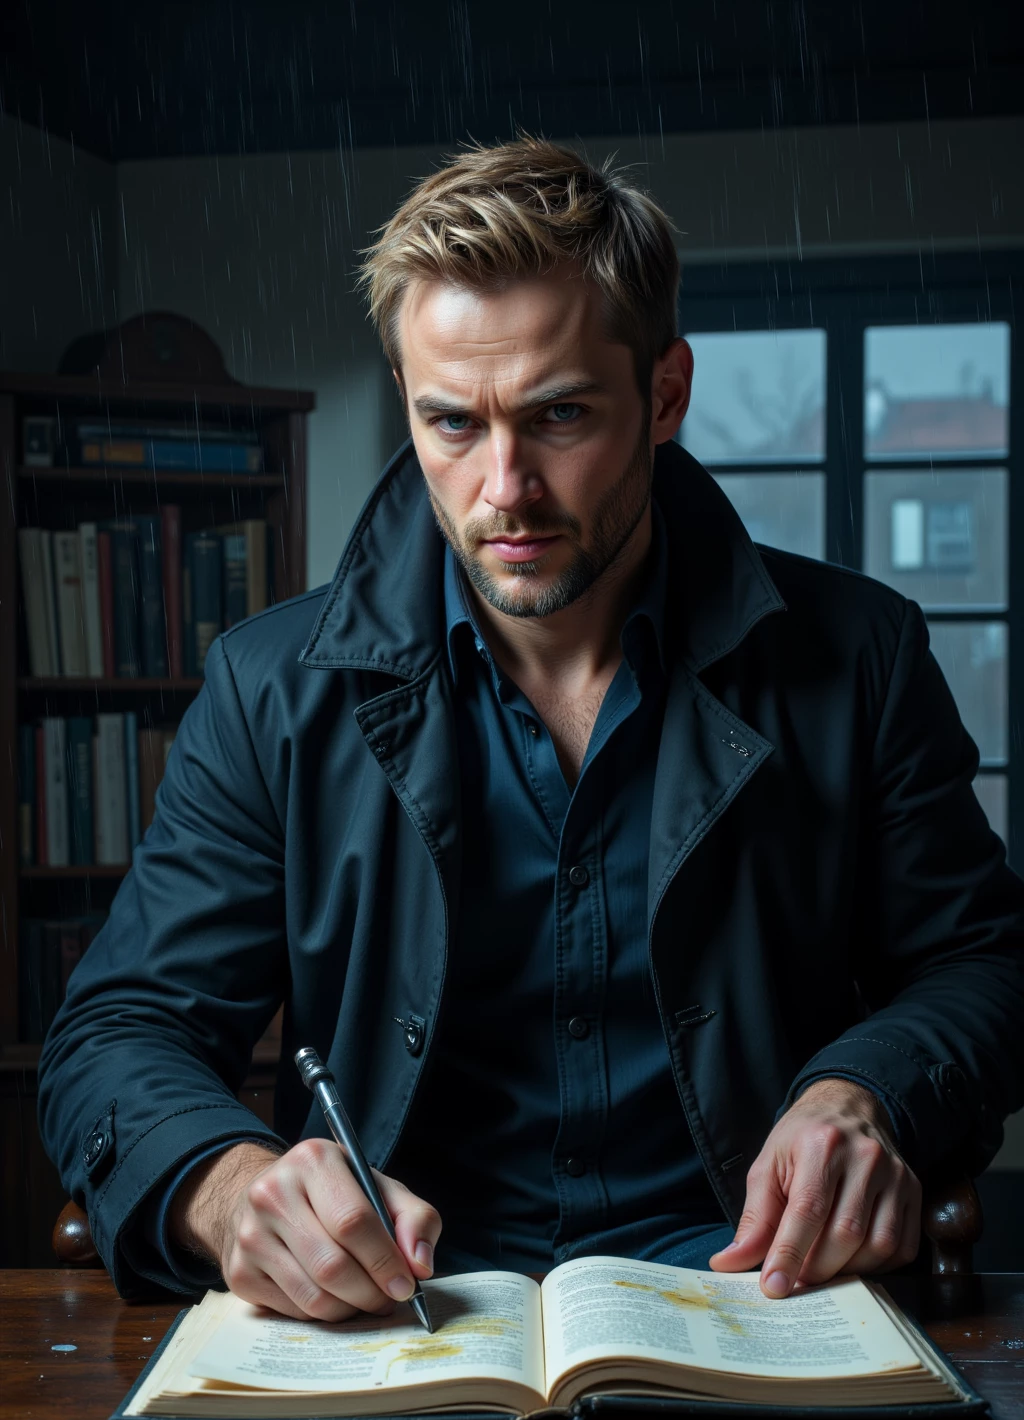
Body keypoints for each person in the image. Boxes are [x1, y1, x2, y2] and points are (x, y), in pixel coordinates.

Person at [38, 138, 1024, 1324]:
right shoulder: (268, 688)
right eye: (450, 424)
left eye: (558, 416)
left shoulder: (859, 655)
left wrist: (867, 1086)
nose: (503, 486)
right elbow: (117, 1031)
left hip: (755, 1305)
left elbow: (987, 966)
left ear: (664, 395)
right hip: (388, 1325)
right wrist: (226, 1183)